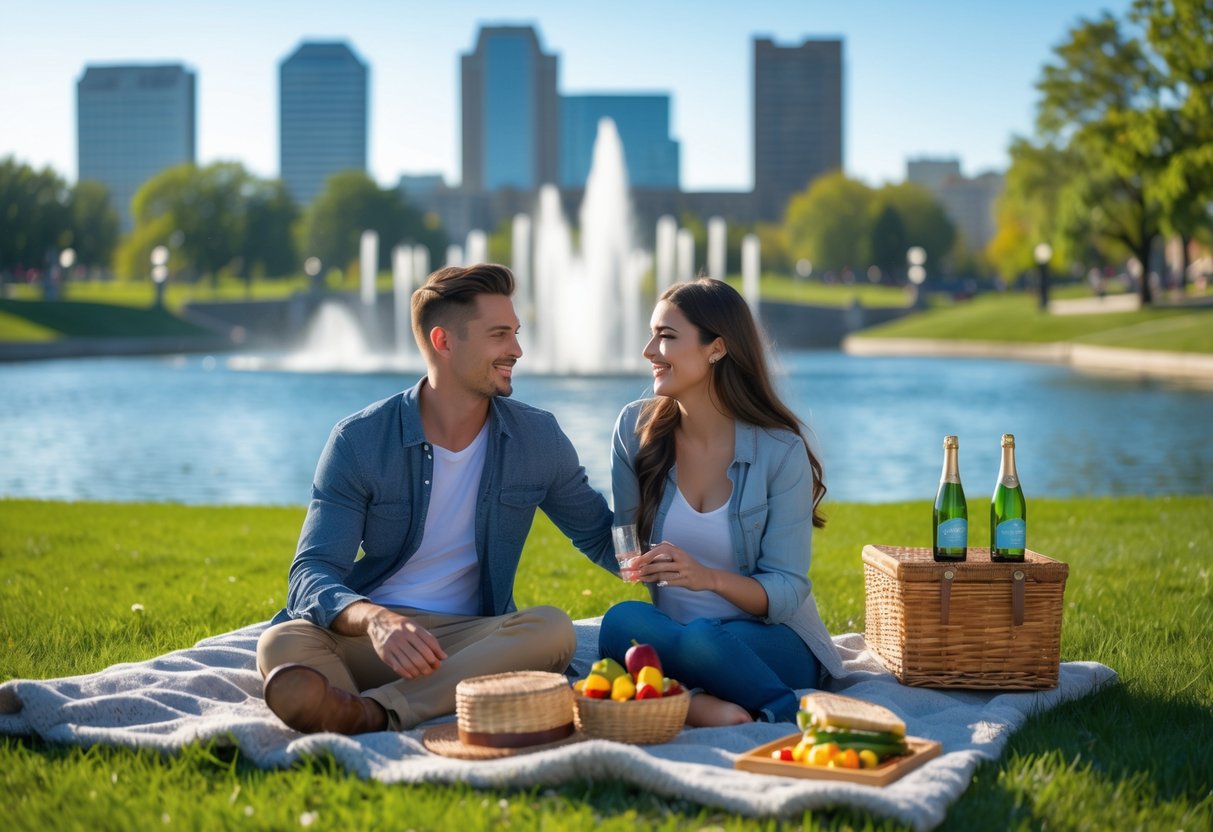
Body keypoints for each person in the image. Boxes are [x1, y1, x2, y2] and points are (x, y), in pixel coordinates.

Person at [257, 263, 616, 734]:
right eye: (499, 335)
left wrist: (692, 555)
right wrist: (376, 621)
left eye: (516, 333)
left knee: (551, 629)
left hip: (473, 639)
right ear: (444, 342)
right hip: (378, 637)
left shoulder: (536, 437)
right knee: (282, 644)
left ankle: (368, 712)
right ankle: (398, 701)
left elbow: (600, 536)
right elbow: (311, 572)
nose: (517, 350)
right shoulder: (360, 440)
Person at [599, 277, 845, 726]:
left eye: (666, 337)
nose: (649, 350)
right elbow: (624, 537)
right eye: (652, 334)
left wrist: (706, 578)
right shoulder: (634, 432)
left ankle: (777, 709)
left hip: (769, 640)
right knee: (621, 622)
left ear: (716, 348)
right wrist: (632, 560)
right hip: (674, 634)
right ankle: (699, 703)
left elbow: (788, 590)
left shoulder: (778, 451)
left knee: (702, 641)